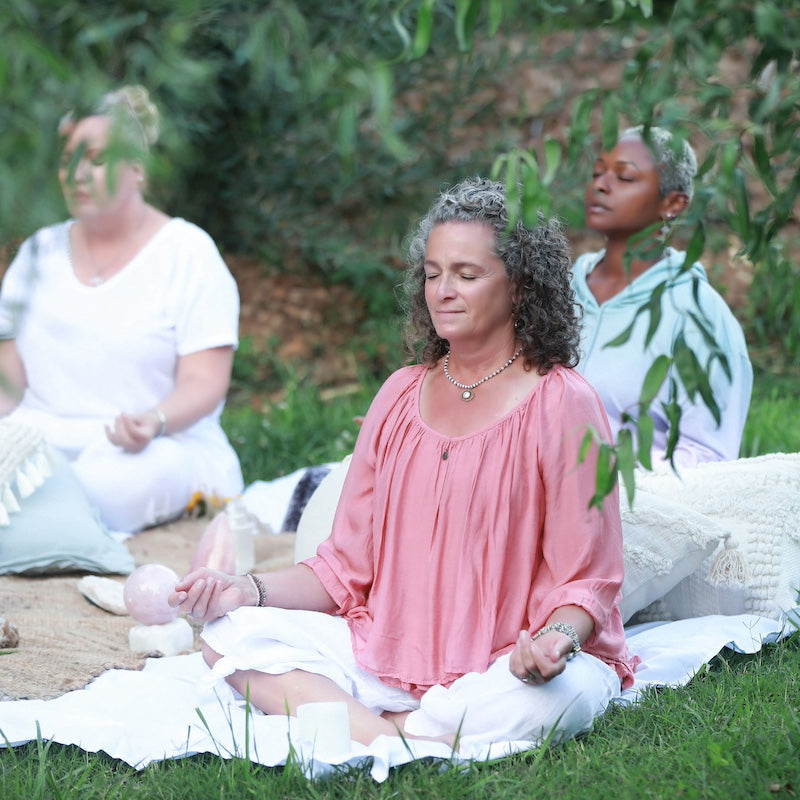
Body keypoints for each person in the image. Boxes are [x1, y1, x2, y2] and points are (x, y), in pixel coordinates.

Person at [169, 177, 636, 752]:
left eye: (467, 275)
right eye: (434, 273)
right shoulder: (399, 394)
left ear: (519, 288)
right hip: (386, 654)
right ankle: (405, 734)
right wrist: (246, 588)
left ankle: (377, 730)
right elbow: (342, 569)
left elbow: (587, 580)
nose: (443, 290)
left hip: (505, 667)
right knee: (228, 633)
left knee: (563, 696)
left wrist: (553, 644)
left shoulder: (563, 401)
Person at [0, 85, 243, 533]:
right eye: (67, 159)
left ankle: (46, 521)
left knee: (109, 487)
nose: (76, 173)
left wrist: (154, 420)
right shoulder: (38, 251)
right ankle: (47, 520)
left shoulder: (188, 253)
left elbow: (204, 382)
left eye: (95, 159)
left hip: (151, 448)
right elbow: (8, 381)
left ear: (137, 169)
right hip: (40, 441)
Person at [572, 125, 753, 470]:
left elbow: (707, 457)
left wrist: (595, 472)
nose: (600, 185)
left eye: (624, 177)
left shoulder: (698, 318)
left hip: (630, 515)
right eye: (598, 172)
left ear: (672, 204)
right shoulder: (557, 291)